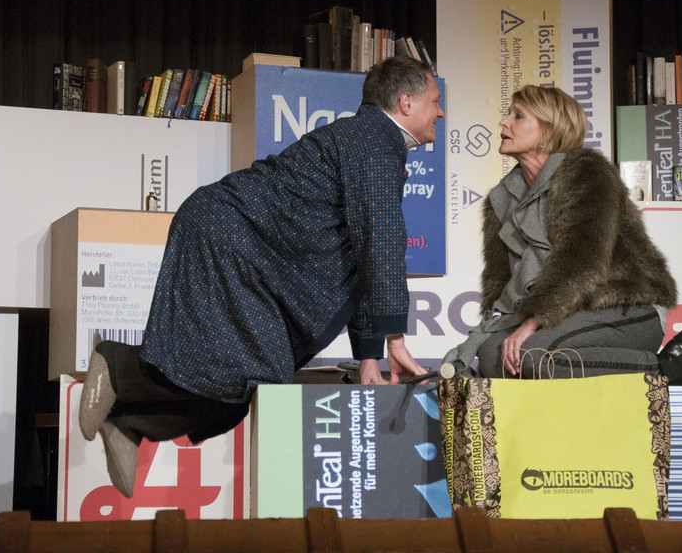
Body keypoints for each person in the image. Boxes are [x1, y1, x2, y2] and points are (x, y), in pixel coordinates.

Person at [79, 56, 442, 497]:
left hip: (238, 246)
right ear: (406, 103)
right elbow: (381, 243)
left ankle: (128, 423)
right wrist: (394, 339)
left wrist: (369, 355)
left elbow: (364, 256)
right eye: (435, 101)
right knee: (244, 378)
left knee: (239, 394)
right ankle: (118, 365)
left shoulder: (371, 141)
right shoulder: (375, 143)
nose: (440, 112)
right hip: (235, 244)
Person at [441, 84, 682, 407]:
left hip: (624, 303)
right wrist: (491, 331)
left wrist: (532, 323)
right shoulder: (501, 200)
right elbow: (501, 282)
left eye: (518, 116)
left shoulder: (586, 172)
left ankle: (671, 368)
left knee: (533, 355)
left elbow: (582, 262)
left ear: (548, 130)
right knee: (492, 356)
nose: (503, 122)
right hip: (563, 312)